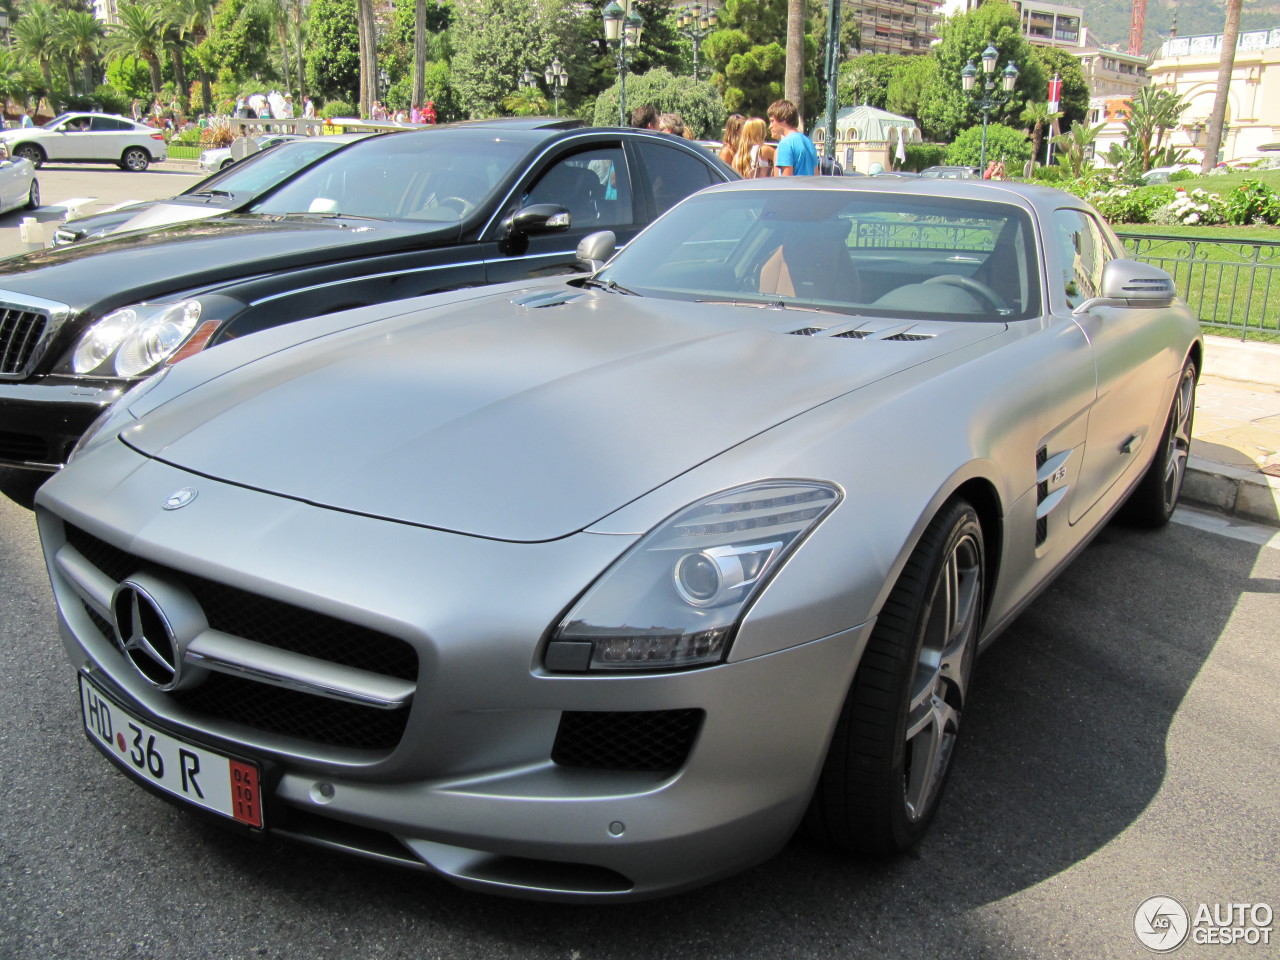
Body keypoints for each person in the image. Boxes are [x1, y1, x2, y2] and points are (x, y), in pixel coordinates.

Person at [767, 99, 817, 176]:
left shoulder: (785, 144)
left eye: (772, 121)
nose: (770, 126)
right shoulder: (808, 142)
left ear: (784, 119)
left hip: (793, 188)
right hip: (809, 187)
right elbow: (816, 174)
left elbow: (786, 181)